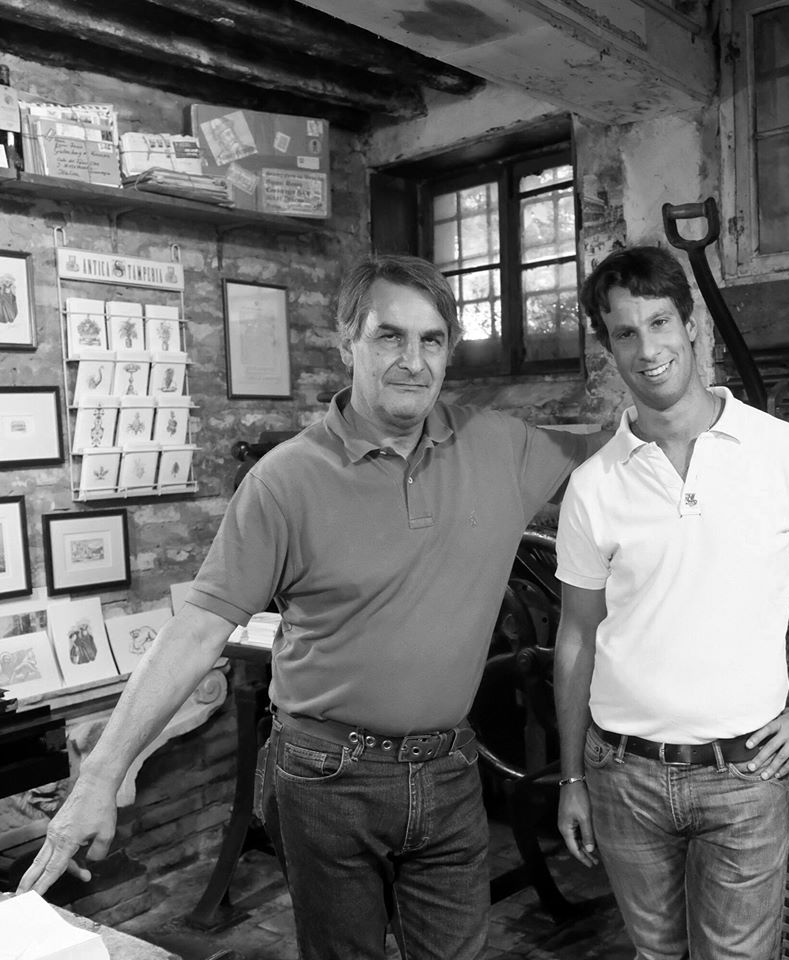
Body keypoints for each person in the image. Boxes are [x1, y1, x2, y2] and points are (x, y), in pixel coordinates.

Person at [19, 254, 602, 960]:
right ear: (347, 341)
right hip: (329, 779)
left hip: (449, 768)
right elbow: (198, 630)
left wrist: (697, 395)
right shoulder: (285, 481)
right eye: (389, 336)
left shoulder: (498, 446)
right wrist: (101, 774)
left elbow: (621, 451)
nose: (413, 360)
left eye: (431, 340)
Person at [553, 246, 789, 960]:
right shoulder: (594, 484)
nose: (648, 350)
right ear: (609, 348)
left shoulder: (783, 451)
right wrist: (571, 776)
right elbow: (576, 635)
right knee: (654, 954)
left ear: (691, 324)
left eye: (659, 323)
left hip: (744, 776)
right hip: (624, 775)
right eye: (625, 333)